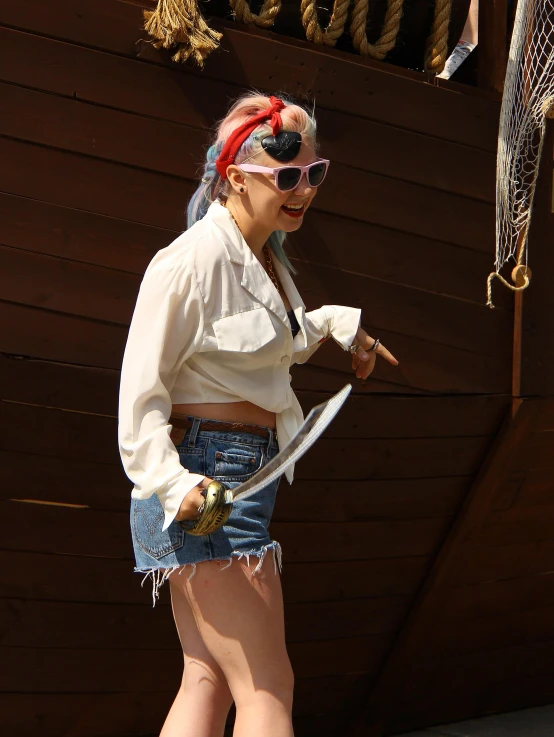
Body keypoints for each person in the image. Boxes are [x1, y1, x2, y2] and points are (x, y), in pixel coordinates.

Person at [118, 92, 398, 737]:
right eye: (287, 178)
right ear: (237, 177)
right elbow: (141, 392)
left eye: (314, 174)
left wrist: (338, 327)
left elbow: (268, 346)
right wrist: (177, 485)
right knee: (267, 687)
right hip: (209, 481)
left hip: (229, 470)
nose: (303, 190)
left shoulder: (264, 256)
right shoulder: (190, 261)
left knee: (207, 678)